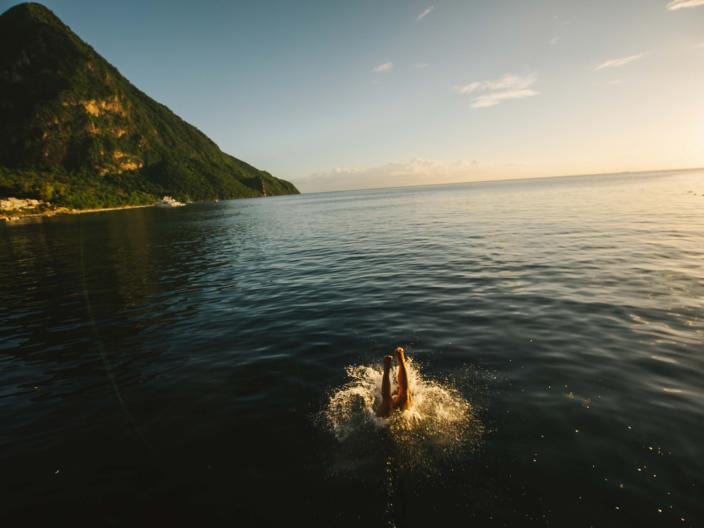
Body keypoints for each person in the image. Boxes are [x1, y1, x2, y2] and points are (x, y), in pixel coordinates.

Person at [377, 347, 412, 418]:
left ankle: (387, 369)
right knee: (405, 393)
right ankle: (401, 362)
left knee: (386, 399)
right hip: (402, 414)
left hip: (385, 419)